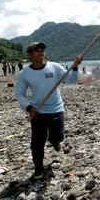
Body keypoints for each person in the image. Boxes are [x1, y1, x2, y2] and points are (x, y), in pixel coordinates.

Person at [15, 42, 82, 181]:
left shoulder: (54, 67)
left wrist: (75, 67)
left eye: (42, 51)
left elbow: (71, 80)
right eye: (37, 51)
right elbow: (20, 93)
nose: (41, 53)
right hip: (38, 111)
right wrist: (28, 108)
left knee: (58, 136)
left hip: (56, 109)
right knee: (37, 142)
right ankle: (38, 168)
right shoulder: (25, 74)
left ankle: (54, 140)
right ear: (30, 55)